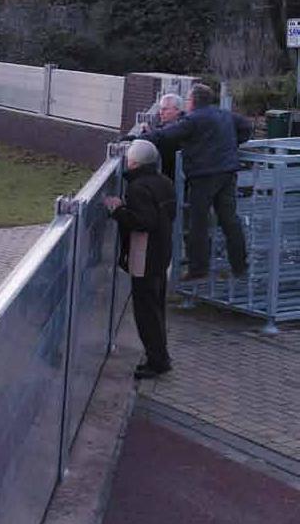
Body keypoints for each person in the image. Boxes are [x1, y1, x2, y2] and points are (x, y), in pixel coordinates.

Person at [145, 82, 251, 281]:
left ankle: (198, 268)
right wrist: (232, 144)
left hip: (204, 176)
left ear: (192, 101)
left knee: (198, 223)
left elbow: (165, 135)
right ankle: (240, 266)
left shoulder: (192, 119)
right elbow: (246, 127)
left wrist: (138, 138)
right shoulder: (224, 115)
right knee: (230, 221)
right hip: (227, 173)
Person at [104, 138, 176, 380]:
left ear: (133, 161)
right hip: (163, 252)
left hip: (145, 256)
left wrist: (118, 210)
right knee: (157, 307)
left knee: (145, 311)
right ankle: (160, 355)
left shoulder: (138, 188)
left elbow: (144, 222)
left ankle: (157, 361)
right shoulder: (164, 182)